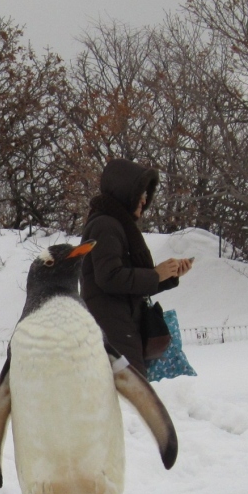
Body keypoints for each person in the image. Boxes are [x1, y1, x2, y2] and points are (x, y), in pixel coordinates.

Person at [79, 159, 193, 376]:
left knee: (131, 396)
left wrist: (166, 276)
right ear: (125, 191)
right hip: (114, 330)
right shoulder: (105, 225)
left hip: (121, 327)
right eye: (140, 192)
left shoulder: (115, 225)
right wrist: (155, 275)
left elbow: (127, 285)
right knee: (129, 398)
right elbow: (109, 277)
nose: (145, 199)